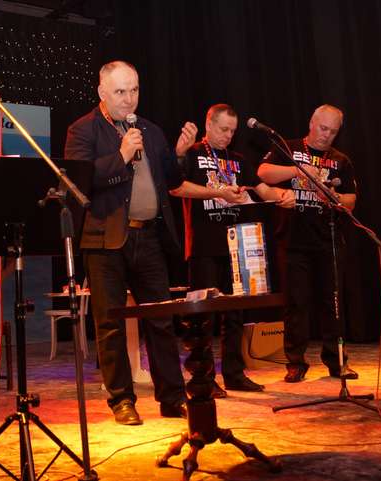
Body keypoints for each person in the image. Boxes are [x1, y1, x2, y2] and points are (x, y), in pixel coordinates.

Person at [65, 60, 214, 425]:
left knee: (160, 320)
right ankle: (121, 399)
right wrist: (121, 155)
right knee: (110, 324)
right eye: (120, 92)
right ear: (102, 92)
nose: (128, 99)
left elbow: (171, 181)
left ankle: (172, 397)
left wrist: (179, 153)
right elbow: (79, 182)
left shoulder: (150, 129)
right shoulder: (82, 130)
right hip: (105, 241)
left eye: (134, 90)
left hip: (148, 237)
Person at [173, 104, 295, 397]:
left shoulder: (238, 160)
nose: (228, 135)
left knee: (235, 314)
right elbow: (176, 188)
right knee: (203, 317)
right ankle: (203, 378)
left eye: (232, 131)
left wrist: (282, 195)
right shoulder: (193, 154)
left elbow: (261, 189)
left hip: (236, 245)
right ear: (209, 125)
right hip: (204, 245)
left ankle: (234, 373)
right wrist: (218, 192)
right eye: (223, 129)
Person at [257, 104, 358, 383]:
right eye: (323, 128)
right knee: (296, 303)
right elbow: (263, 172)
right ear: (312, 123)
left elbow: (351, 200)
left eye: (333, 131)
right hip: (293, 240)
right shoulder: (288, 148)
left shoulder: (340, 160)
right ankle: (295, 362)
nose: (327, 135)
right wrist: (297, 172)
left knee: (332, 304)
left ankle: (337, 361)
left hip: (329, 241)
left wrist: (335, 198)